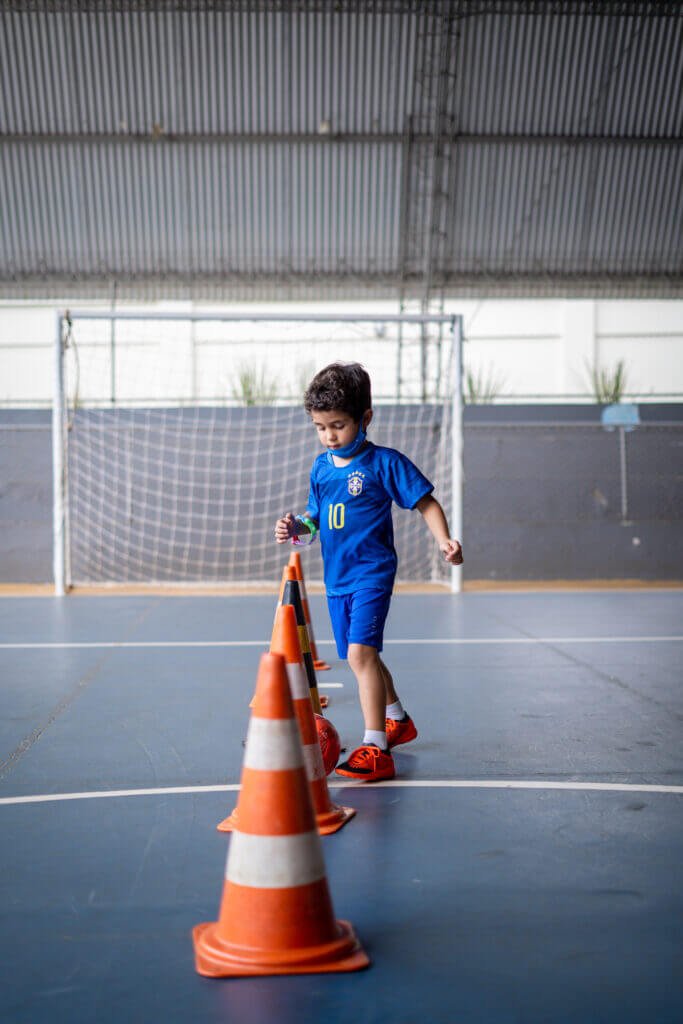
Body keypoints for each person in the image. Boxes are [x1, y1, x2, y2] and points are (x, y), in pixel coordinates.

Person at [274, 361, 463, 782]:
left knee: (360, 655)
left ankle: (376, 747)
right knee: (363, 657)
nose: (329, 435)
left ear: (365, 419)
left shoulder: (383, 463)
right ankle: (398, 720)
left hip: (371, 574)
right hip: (336, 580)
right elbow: (314, 522)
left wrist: (444, 540)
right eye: (320, 427)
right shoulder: (321, 468)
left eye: (338, 425)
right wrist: (295, 529)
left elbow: (426, 502)